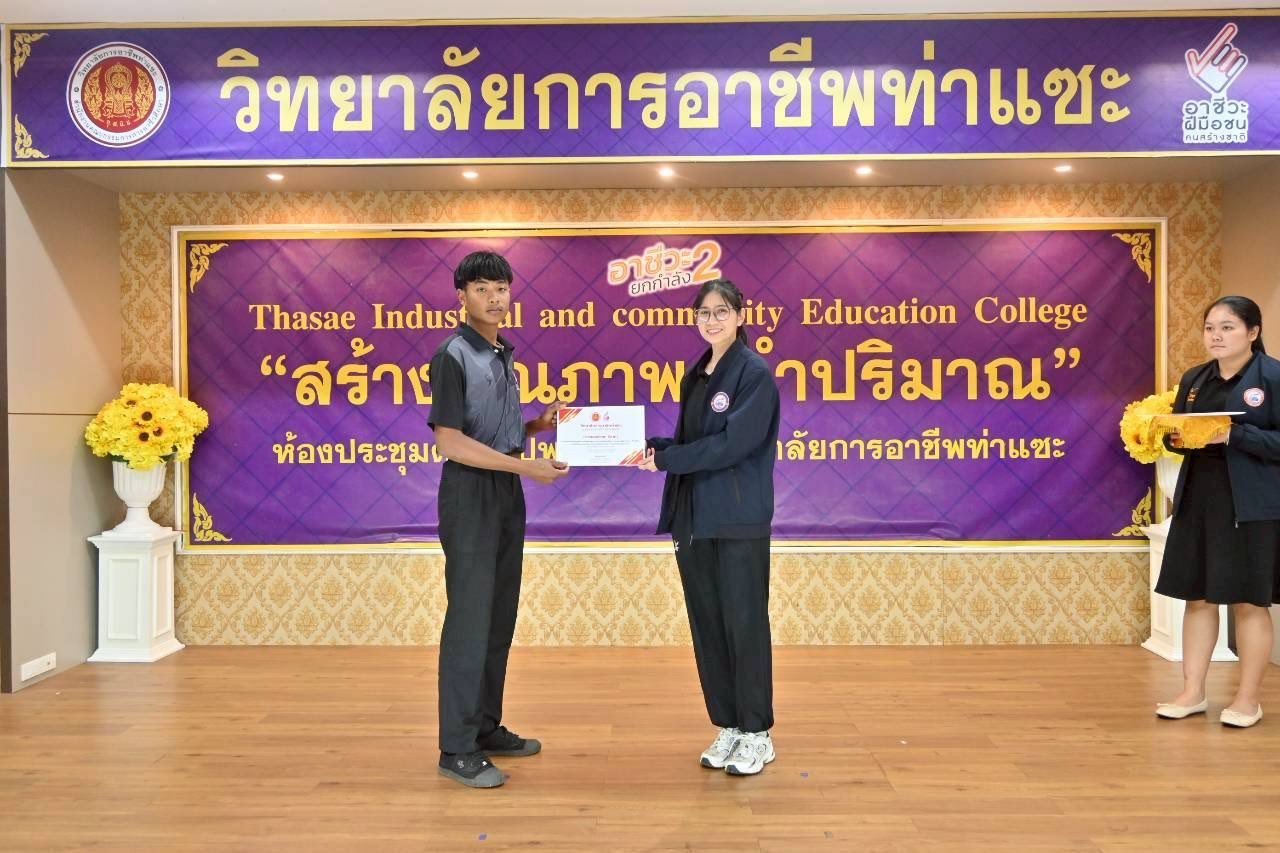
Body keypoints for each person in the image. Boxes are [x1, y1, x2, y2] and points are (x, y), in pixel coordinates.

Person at [428, 250, 570, 787]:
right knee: (470, 620)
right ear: (461, 296)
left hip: (506, 491)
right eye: (482, 289)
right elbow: (450, 441)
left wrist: (536, 426)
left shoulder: (501, 352)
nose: (494, 298)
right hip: (471, 494)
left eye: (502, 288)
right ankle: (456, 748)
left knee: (497, 617)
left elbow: (492, 431)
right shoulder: (453, 355)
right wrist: (526, 466)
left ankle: (485, 727)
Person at [638, 278, 781, 774]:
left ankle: (757, 732)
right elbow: (691, 440)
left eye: (722, 311)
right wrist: (650, 447)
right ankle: (729, 725)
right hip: (694, 518)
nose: (712, 320)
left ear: (740, 316)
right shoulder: (697, 373)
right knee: (709, 624)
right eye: (704, 312)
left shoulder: (753, 373)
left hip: (737, 518)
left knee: (744, 623)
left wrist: (669, 459)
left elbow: (732, 445)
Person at [1154, 295, 1280, 728]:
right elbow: (1183, 434)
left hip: (1252, 506)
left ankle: (1247, 700)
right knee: (1198, 597)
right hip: (1199, 501)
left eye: (1227, 327)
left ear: (1253, 332)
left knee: (1248, 602)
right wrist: (1172, 436)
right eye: (1210, 328)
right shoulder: (1195, 378)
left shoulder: (1273, 377)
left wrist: (1232, 435)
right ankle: (1192, 692)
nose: (1216, 336)